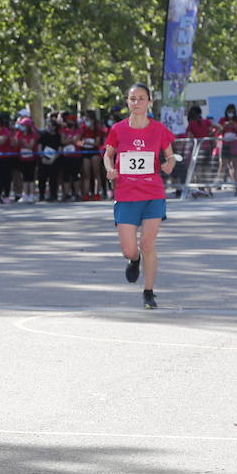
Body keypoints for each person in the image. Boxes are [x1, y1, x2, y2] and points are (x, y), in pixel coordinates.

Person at [102, 83, 175, 309]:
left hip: (153, 193)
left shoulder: (159, 130)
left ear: (149, 102)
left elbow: (170, 156)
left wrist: (169, 165)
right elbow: (108, 155)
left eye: (141, 98)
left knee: (147, 243)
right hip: (126, 194)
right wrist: (110, 170)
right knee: (130, 249)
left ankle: (149, 292)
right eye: (133, 99)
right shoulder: (118, 129)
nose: (137, 103)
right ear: (127, 102)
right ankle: (134, 260)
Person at [13, 116, 39, 202]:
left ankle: (31, 194)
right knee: (24, 177)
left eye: (23, 125)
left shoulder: (33, 135)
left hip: (31, 159)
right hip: (22, 158)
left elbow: (30, 146)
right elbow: (15, 145)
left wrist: (23, 143)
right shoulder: (19, 134)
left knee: (31, 177)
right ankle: (25, 195)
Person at [37, 118, 62, 201]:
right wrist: (42, 157)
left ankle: (53, 195)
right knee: (42, 178)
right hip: (43, 160)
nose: (48, 127)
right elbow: (39, 147)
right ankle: (41, 195)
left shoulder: (58, 136)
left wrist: (53, 159)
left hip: (54, 161)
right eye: (47, 125)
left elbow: (59, 150)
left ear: (54, 127)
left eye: (49, 125)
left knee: (53, 179)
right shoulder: (43, 135)